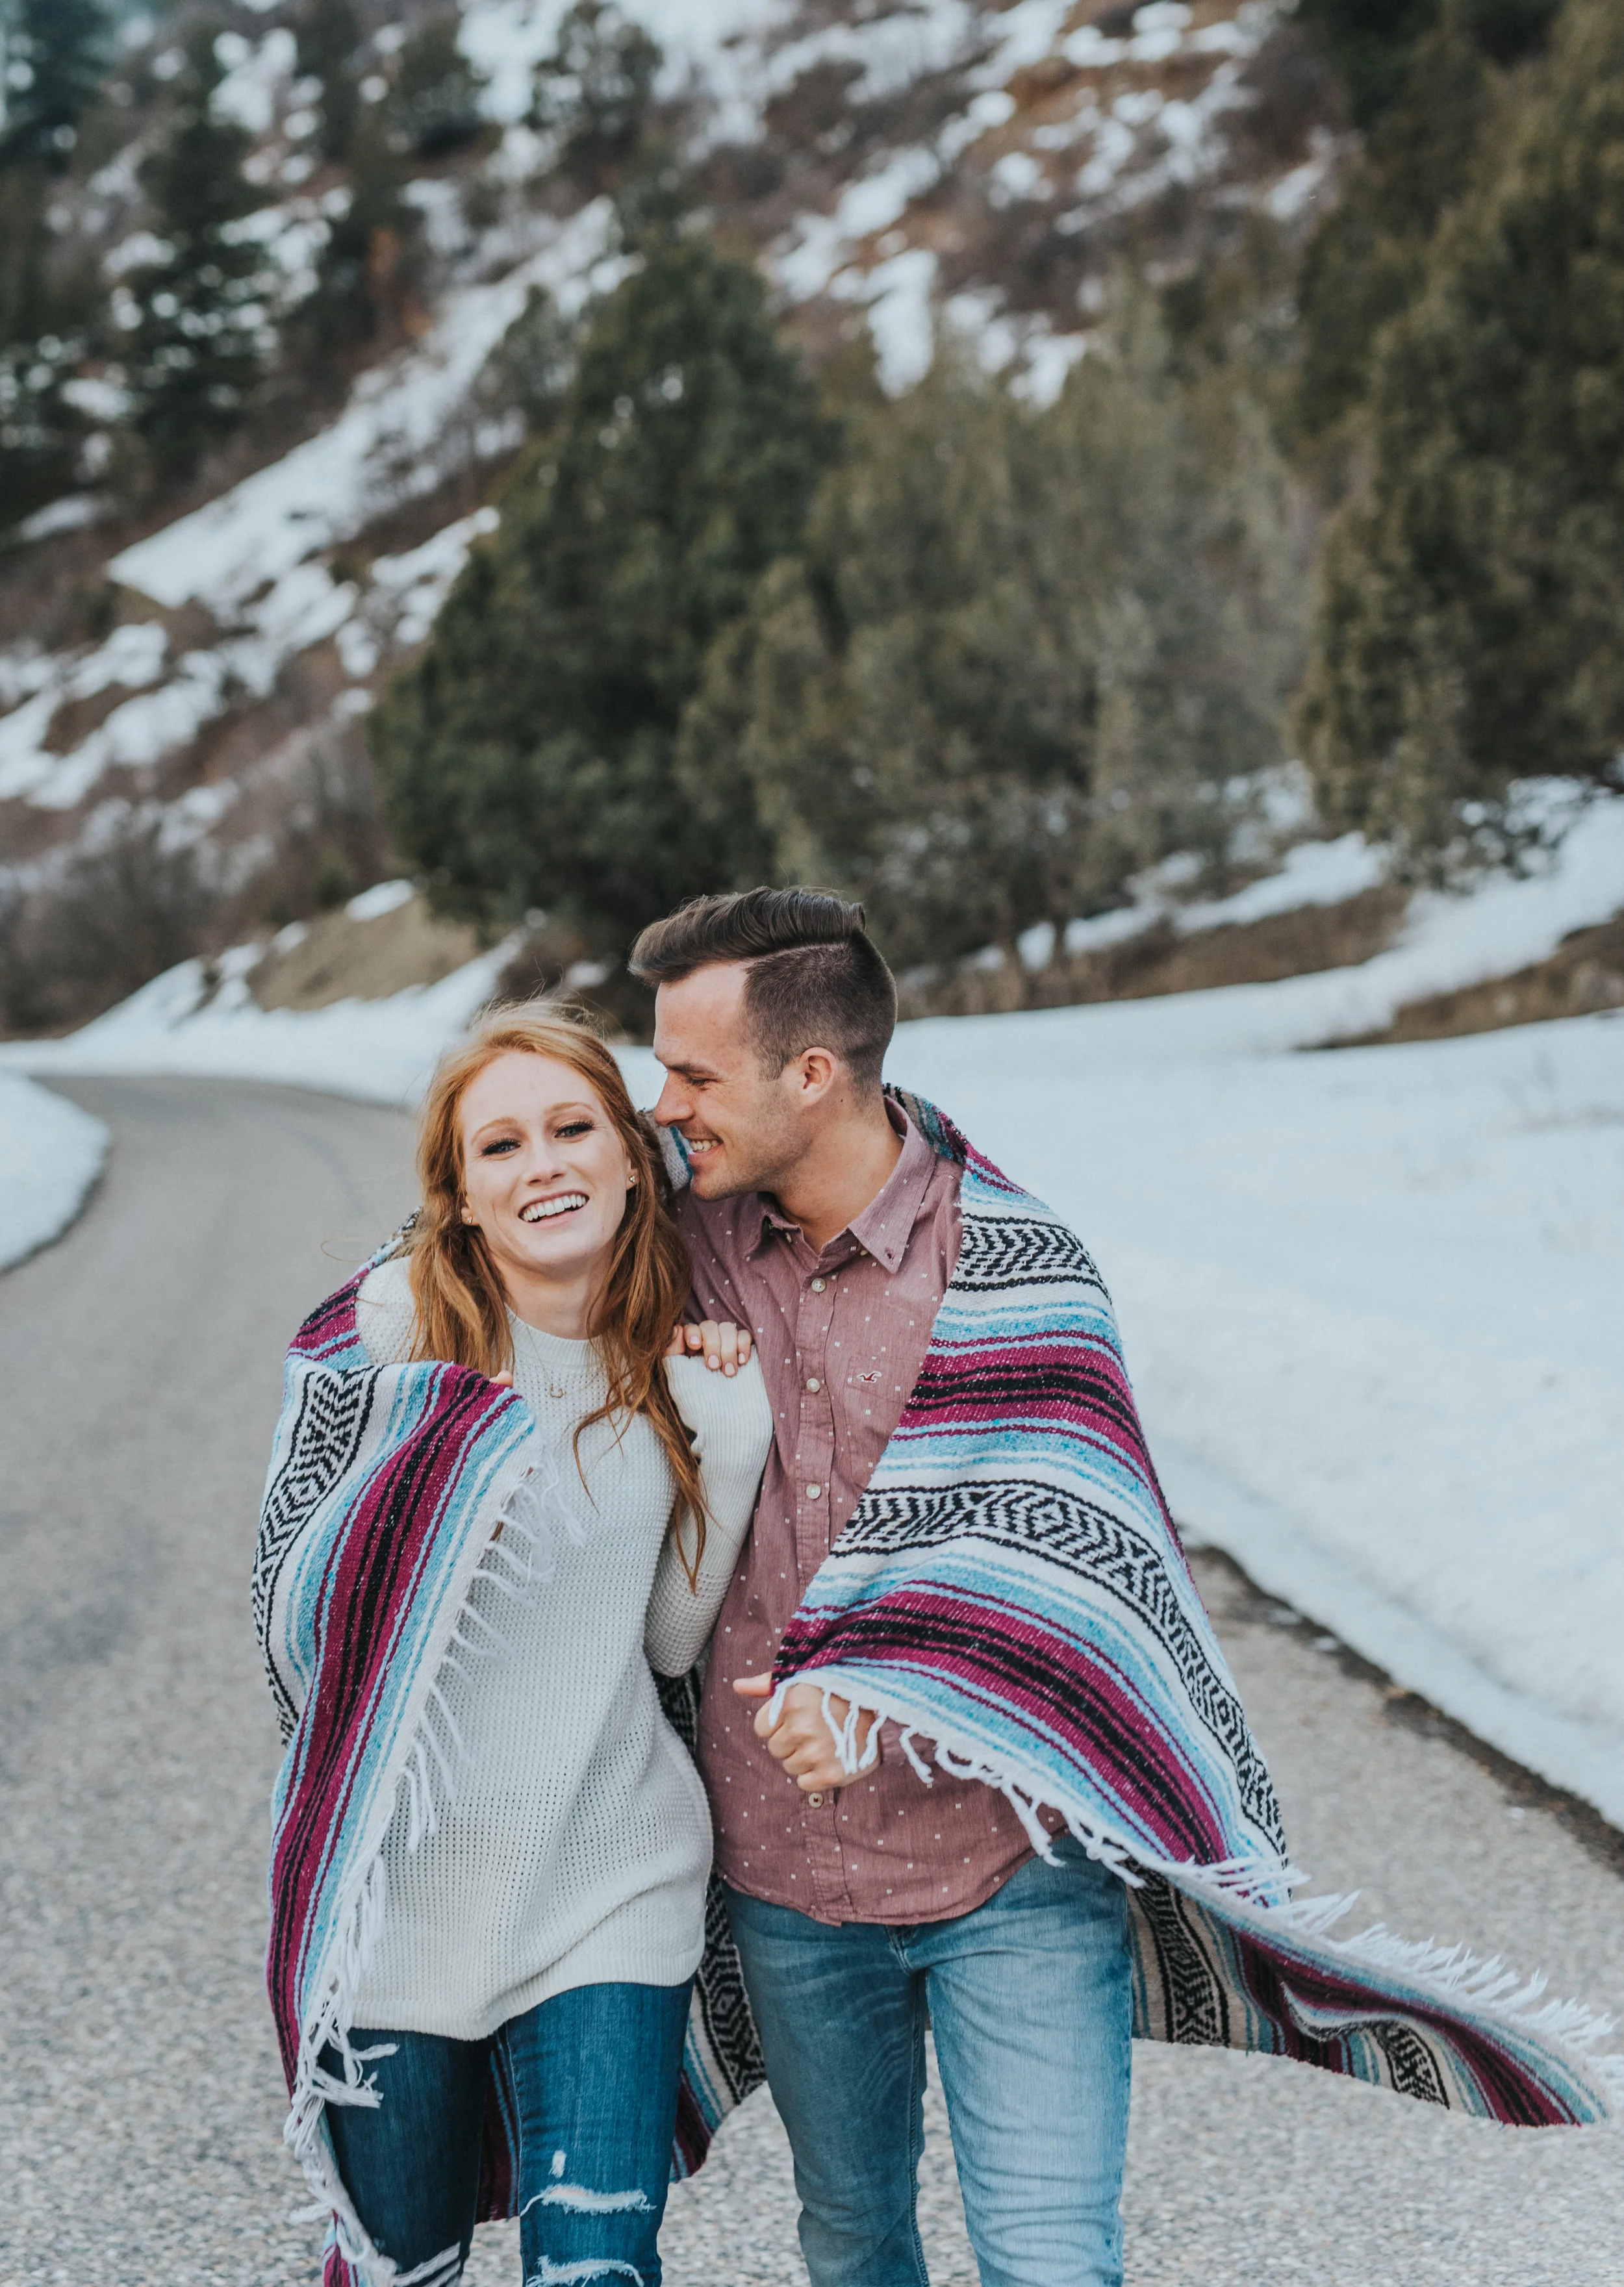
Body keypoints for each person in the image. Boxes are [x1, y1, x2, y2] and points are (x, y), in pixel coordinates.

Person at [632, 890, 1135, 2287]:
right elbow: (486, 1240)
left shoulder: (1020, 1274)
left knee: (1049, 2259)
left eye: (690, 1071)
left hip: (1011, 1866)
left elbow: (1081, 1597)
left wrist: (894, 1701)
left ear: (810, 1073)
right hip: (787, 1880)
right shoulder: (671, 1246)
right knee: (852, 2243)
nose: (659, 1102)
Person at [255, 1007, 770, 2287]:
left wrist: (731, 1430)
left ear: (627, 1151)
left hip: (606, 1886)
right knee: (397, 2267)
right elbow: (293, 1621)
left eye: (569, 1126)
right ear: (462, 1196)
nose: (542, 1163)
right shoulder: (388, 1353)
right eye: (499, 1145)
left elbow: (661, 1642)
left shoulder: (669, 1376)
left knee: (597, 2268)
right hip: (403, 1912)